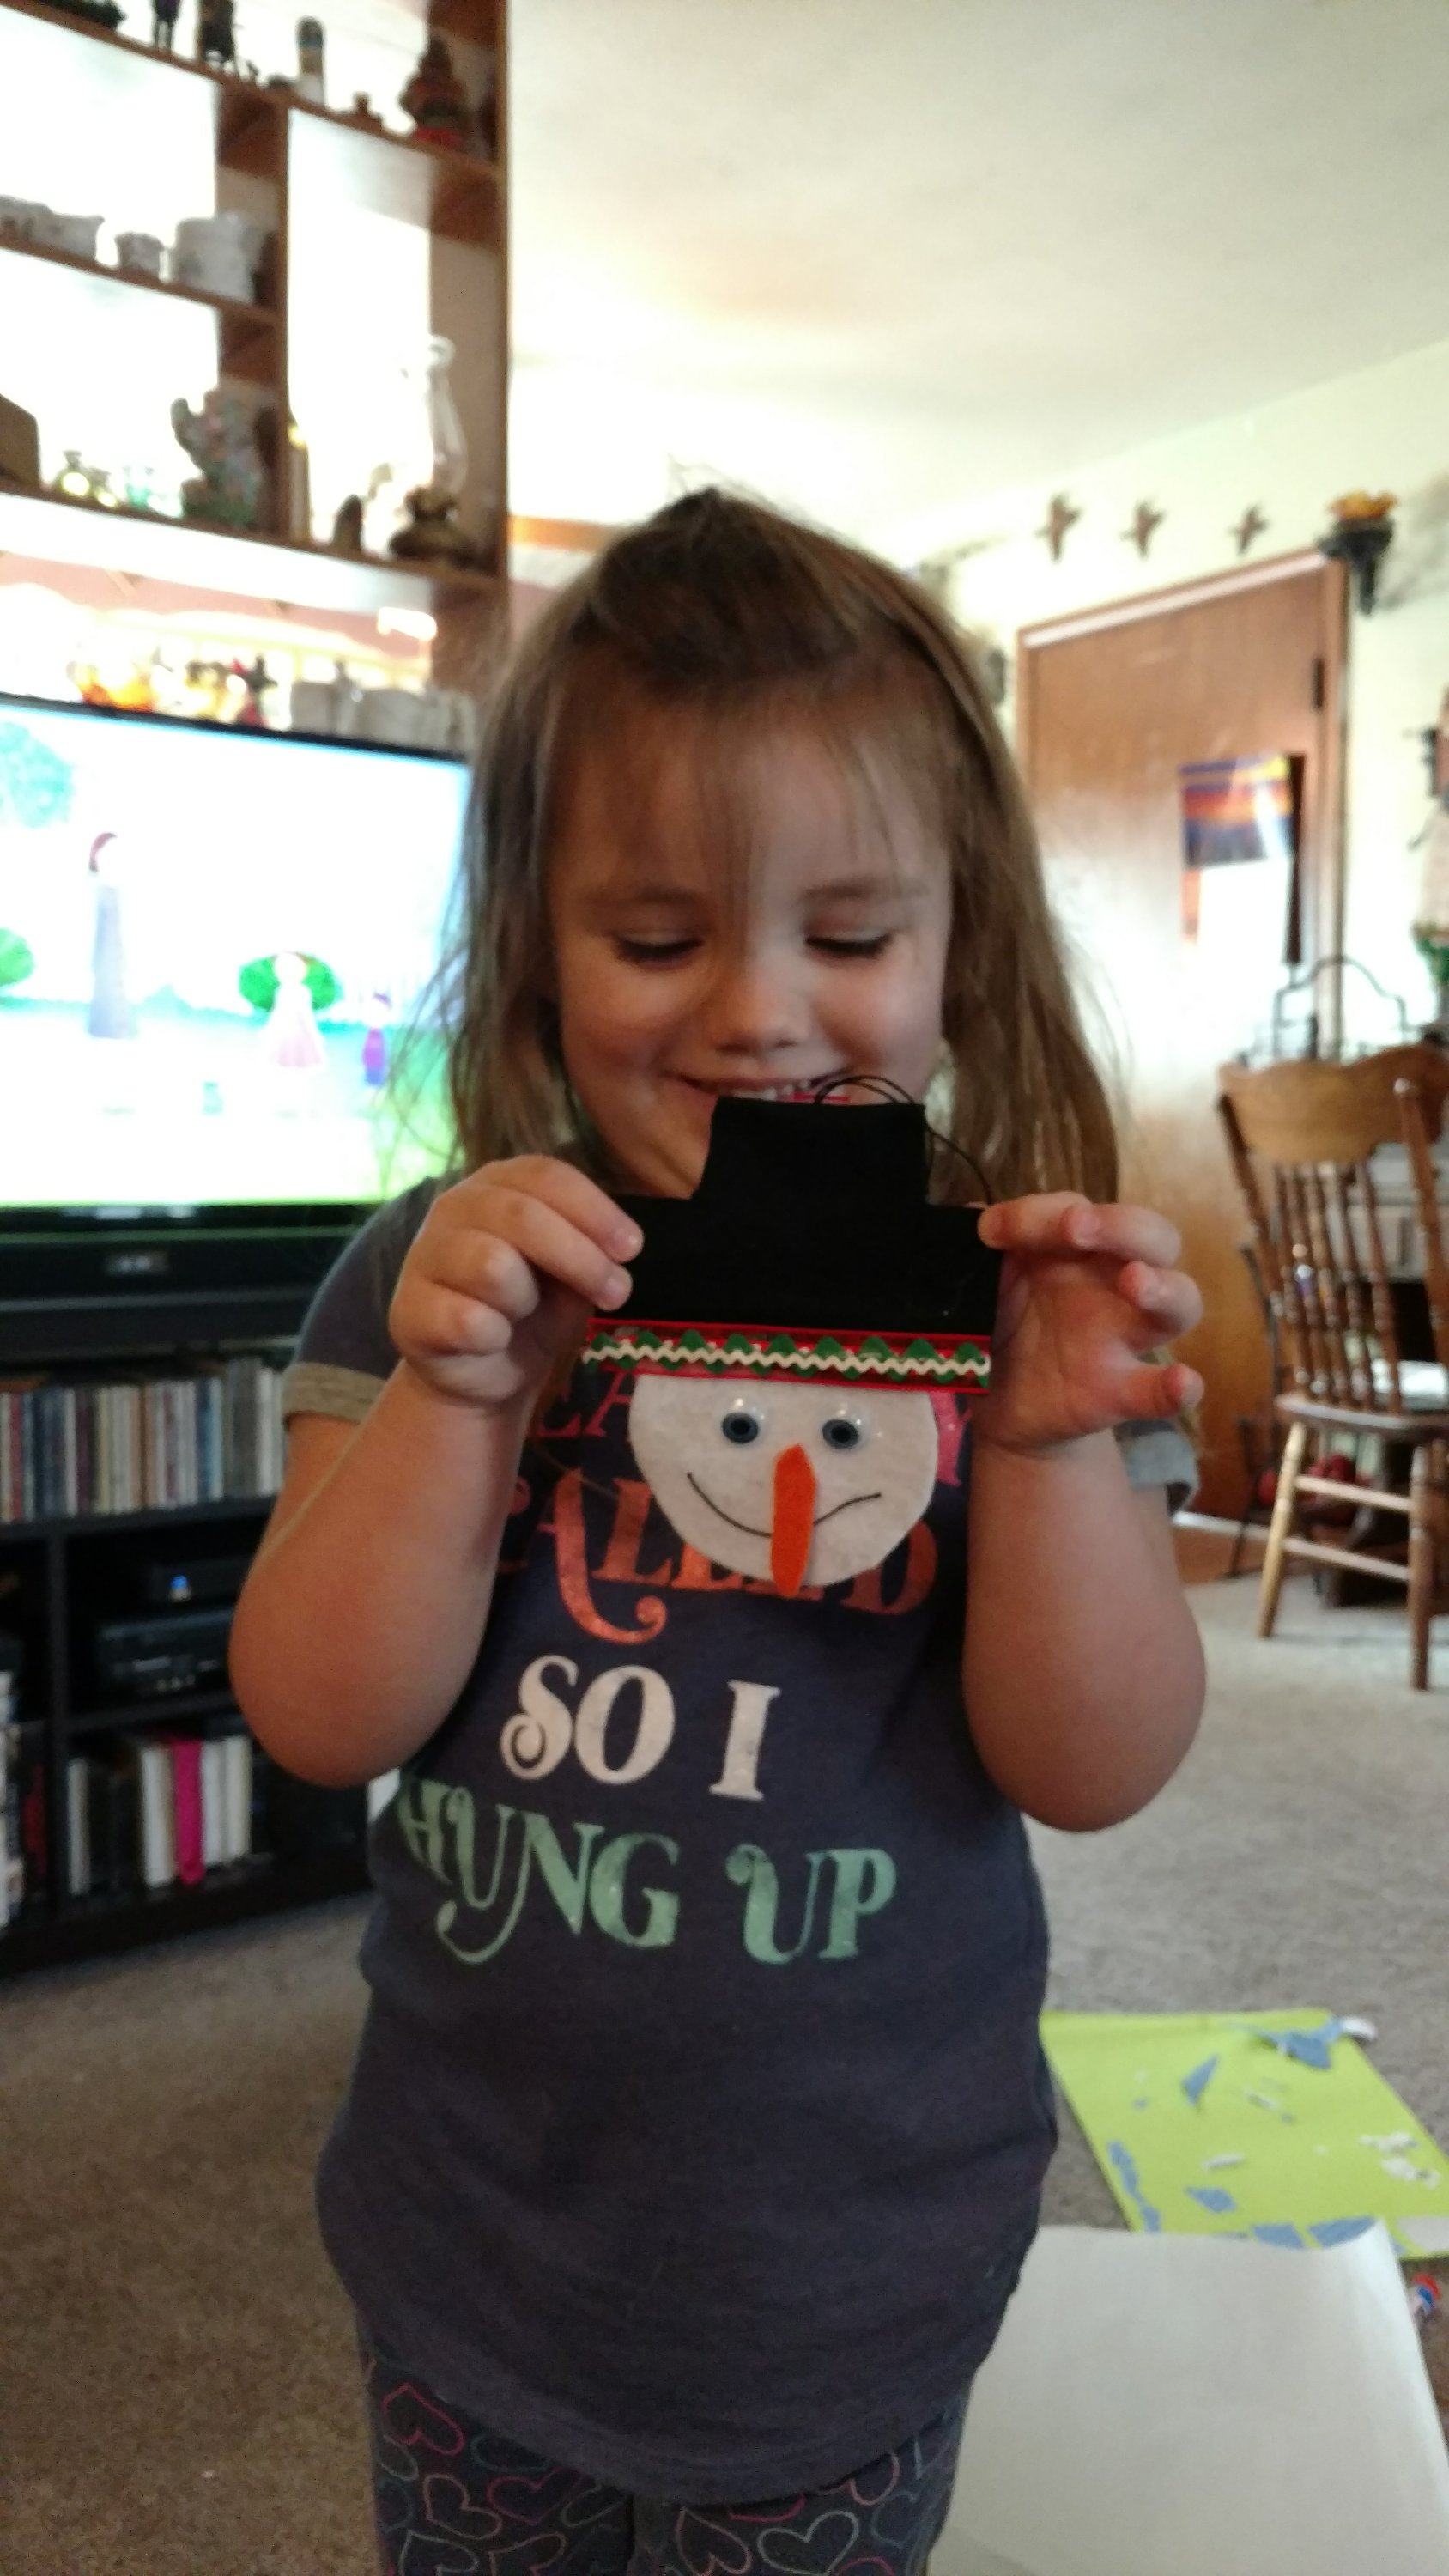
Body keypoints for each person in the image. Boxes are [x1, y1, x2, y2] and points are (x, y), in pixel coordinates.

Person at [229, 488, 1205, 2576]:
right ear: (540, 947)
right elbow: (316, 1714)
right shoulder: (439, 1283)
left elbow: (1095, 1766)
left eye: (847, 939)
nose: (759, 1012)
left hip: (853, 2269)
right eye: (660, 939)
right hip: (478, 2242)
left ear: (957, 952)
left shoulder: (1010, 1317)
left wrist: (1043, 1453)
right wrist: (462, 1400)